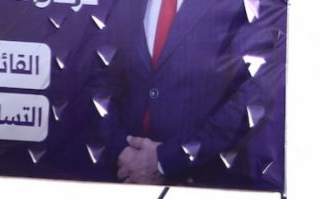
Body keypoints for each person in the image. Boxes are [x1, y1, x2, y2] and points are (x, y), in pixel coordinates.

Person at [99, 0, 285, 189]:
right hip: (119, 178)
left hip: (204, 186)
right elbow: (100, 69)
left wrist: (167, 160)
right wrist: (119, 147)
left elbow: (256, 93)